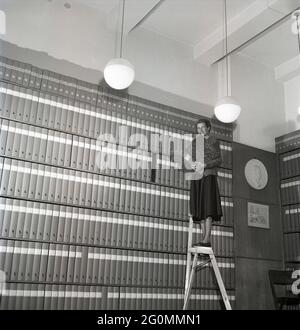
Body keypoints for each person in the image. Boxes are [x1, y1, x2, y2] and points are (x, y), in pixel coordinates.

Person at [189, 118, 223, 247]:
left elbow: (219, 160)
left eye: (203, 127)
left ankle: (207, 238)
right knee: (200, 208)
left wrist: (206, 164)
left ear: (208, 128)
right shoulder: (195, 142)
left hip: (209, 176)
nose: (200, 130)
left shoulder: (214, 141)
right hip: (197, 177)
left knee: (208, 207)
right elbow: (192, 158)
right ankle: (204, 239)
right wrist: (192, 164)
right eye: (198, 128)